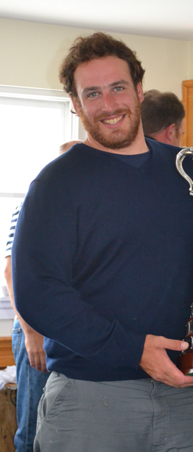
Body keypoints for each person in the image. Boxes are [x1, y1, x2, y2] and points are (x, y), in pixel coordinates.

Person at [11, 32, 193, 452]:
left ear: (139, 90)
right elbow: (38, 294)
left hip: (189, 391)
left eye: (118, 88)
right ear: (75, 103)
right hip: (92, 399)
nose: (109, 105)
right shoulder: (56, 183)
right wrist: (134, 350)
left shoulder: (187, 168)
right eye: (92, 94)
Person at [4, 140, 80, 452]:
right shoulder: (32, 204)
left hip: (72, 330)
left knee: (66, 426)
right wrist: (32, 333)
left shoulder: (81, 209)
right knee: (33, 427)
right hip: (37, 330)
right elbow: (11, 272)